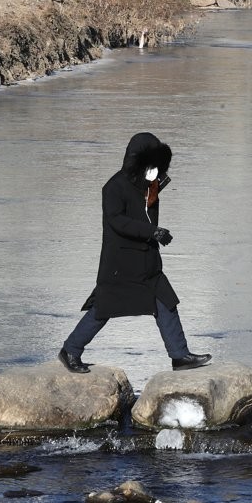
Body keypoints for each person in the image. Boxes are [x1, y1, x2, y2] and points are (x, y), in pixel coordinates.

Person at [58, 133, 211, 374]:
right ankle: (71, 350)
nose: (155, 171)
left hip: (147, 263)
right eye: (151, 165)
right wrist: (154, 232)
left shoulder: (149, 187)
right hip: (121, 264)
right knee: (103, 309)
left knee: (166, 303)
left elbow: (147, 205)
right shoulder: (113, 187)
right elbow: (118, 221)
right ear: (137, 162)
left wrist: (156, 189)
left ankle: (180, 355)